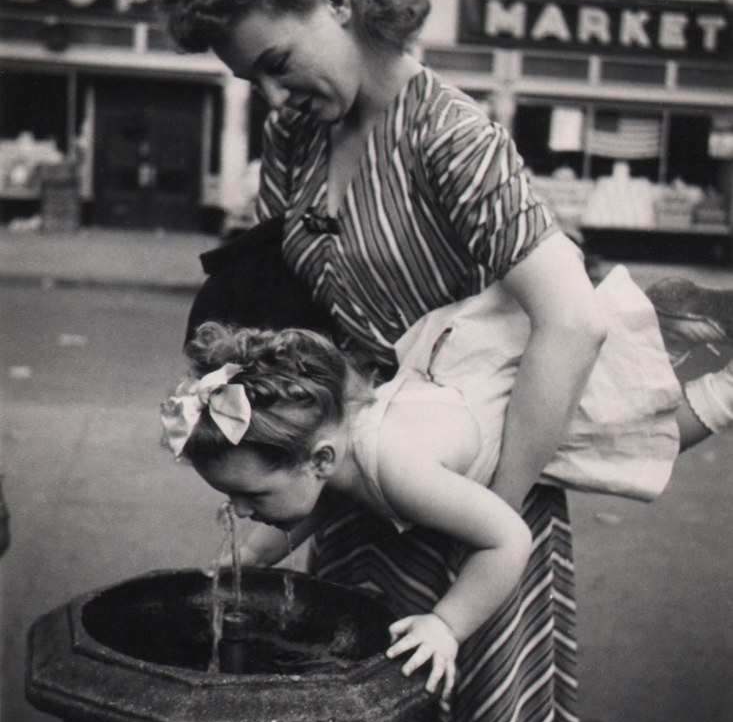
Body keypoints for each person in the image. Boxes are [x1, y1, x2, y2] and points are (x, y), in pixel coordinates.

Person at [154, 0, 714, 722]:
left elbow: (570, 322)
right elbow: (305, 306)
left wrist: (487, 506)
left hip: (468, 492)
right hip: (356, 475)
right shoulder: (297, 134)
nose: (274, 93)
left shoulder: (448, 136)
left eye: (278, 62)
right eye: (254, 78)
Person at [160, 279, 733, 693]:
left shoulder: (395, 472)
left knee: (631, 432)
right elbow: (319, 501)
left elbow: (507, 538)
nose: (237, 509)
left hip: (503, 414)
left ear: (320, 459)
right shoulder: (324, 451)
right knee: (626, 415)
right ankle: (671, 312)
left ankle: (725, 389)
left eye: (252, 497)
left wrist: (446, 625)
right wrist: (255, 554)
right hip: (451, 387)